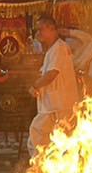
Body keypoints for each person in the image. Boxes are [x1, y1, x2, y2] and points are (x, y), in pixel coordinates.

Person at [28, 15, 79, 155]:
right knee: (54, 141)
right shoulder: (53, 49)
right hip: (53, 105)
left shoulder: (59, 48)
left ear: (51, 29)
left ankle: (39, 168)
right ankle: (45, 170)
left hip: (57, 105)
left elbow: (52, 74)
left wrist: (35, 86)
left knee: (37, 134)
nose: (38, 33)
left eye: (40, 29)